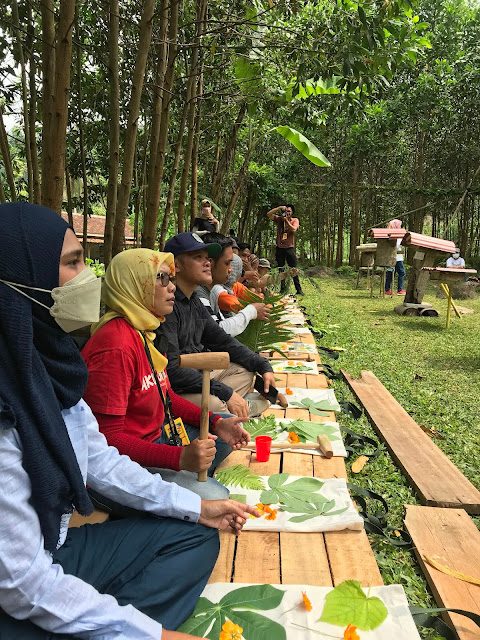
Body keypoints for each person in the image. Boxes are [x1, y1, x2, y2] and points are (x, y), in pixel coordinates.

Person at [0, 202, 257, 639]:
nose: (89, 277)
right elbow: (21, 581)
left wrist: (198, 498)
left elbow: (98, 452)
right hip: (25, 573)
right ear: (25, 276)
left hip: (56, 539)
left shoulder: (56, 360)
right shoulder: (113, 344)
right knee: (207, 492)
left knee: (199, 525)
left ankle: (106, 618)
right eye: (73, 263)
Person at [81, 248, 250, 501]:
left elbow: (166, 397)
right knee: (216, 498)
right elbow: (106, 441)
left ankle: (182, 483)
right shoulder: (115, 346)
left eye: (170, 278)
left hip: (159, 437)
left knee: (226, 430)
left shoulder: (145, 331)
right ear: (134, 284)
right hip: (123, 465)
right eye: (161, 278)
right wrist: (179, 458)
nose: (172, 286)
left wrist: (215, 422)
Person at [161, 232, 275, 419]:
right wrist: (225, 392)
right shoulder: (167, 306)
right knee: (214, 403)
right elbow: (171, 372)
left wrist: (263, 365)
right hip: (177, 389)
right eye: (198, 257)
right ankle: (232, 409)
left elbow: (222, 341)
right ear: (176, 266)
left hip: (201, 376)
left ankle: (229, 408)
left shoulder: (194, 301)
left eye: (207, 257)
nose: (207, 263)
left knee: (244, 371)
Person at [195, 232, 270, 337]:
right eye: (227, 263)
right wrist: (252, 311)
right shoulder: (201, 292)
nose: (231, 269)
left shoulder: (212, 290)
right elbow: (217, 331)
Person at [267, 203, 304, 295]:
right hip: (280, 248)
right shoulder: (279, 219)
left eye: (289, 211)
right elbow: (269, 214)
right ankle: (282, 289)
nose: (287, 213)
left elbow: (294, 230)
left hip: (289, 248)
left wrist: (287, 221)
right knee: (281, 269)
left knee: (293, 269)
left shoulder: (295, 220)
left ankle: (299, 290)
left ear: (292, 212)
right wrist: (279, 208)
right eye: (285, 211)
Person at [384, 219, 406, 296]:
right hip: (397, 258)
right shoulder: (396, 235)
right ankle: (400, 289)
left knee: (390, 273)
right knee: (402, 272)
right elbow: (396, 245)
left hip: (391, 257)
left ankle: (387, 289)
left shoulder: (389, 234)